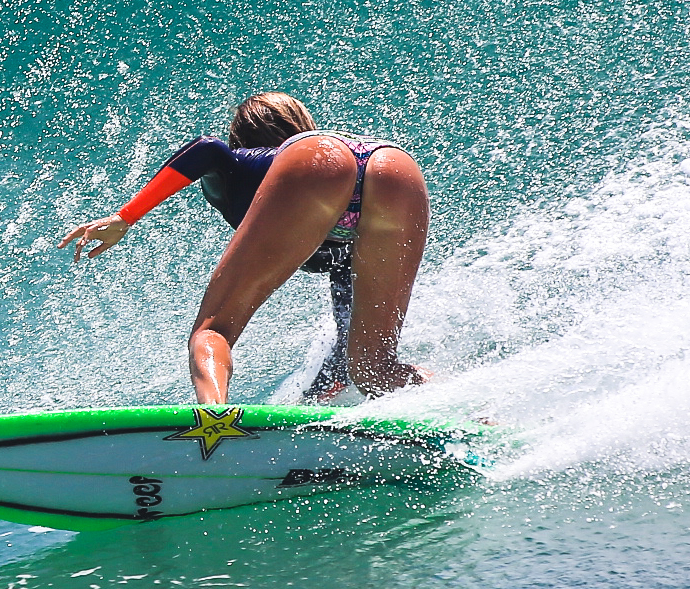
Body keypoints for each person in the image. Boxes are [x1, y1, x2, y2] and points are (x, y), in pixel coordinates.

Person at [57, 92, 429, 406]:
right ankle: (469, 405)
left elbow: (206, 150)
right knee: (371, 368)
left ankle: (214, 421)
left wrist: (126, 216)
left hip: (318, 157)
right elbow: (348, 316)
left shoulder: (241, 163)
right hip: (392, 165)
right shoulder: (305, 197)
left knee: (212, 331)